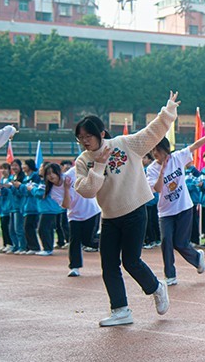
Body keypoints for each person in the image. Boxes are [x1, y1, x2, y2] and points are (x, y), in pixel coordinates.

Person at [74, 92, 179, 327]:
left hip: (134, 211)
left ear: (101, 133)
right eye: (80, 137)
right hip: (109, 217)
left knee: (131, 261)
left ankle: (156, 287)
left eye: (89, 135)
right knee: (109, 264)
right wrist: (99, 164)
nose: (85, 141)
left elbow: (151, 133)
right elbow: (88, 190)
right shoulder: (83, 161)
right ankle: (120, 309)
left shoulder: (124, 144)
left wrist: (168, 110)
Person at [146, 124, 205, 285]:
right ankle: (170, 275)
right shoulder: (152, 169)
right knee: (166, 241)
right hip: (165, 212)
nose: (155, 153)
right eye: (153, 150)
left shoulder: (178, 157)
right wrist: (162, 171)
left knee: (180, 243)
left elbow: (196, 144)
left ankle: (197, 258)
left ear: (165, 149)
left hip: (184, 208)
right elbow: (157, 188)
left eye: (158, 150)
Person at [51, 160, 102, 277]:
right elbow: (67, 205)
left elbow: (83, 164)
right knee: (74, 240)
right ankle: (74, 267)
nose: (50, 176)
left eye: (52, 173)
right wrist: (67, 189)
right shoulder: (53, 191)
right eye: (47, 174)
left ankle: (111, 246)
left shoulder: (71, 174)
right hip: (74, 216)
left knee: (88, 240)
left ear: (58, 172)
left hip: (91, 211)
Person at [32, 163, 67, 256]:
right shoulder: (44, 181)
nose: (39, 169)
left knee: (43, 229)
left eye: (41, 167)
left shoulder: (45, 183)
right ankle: (48, 248)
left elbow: (40, 194)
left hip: (48, 209)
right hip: (48, 208)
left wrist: (31, 189)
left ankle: (47, 248)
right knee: (48, 229)